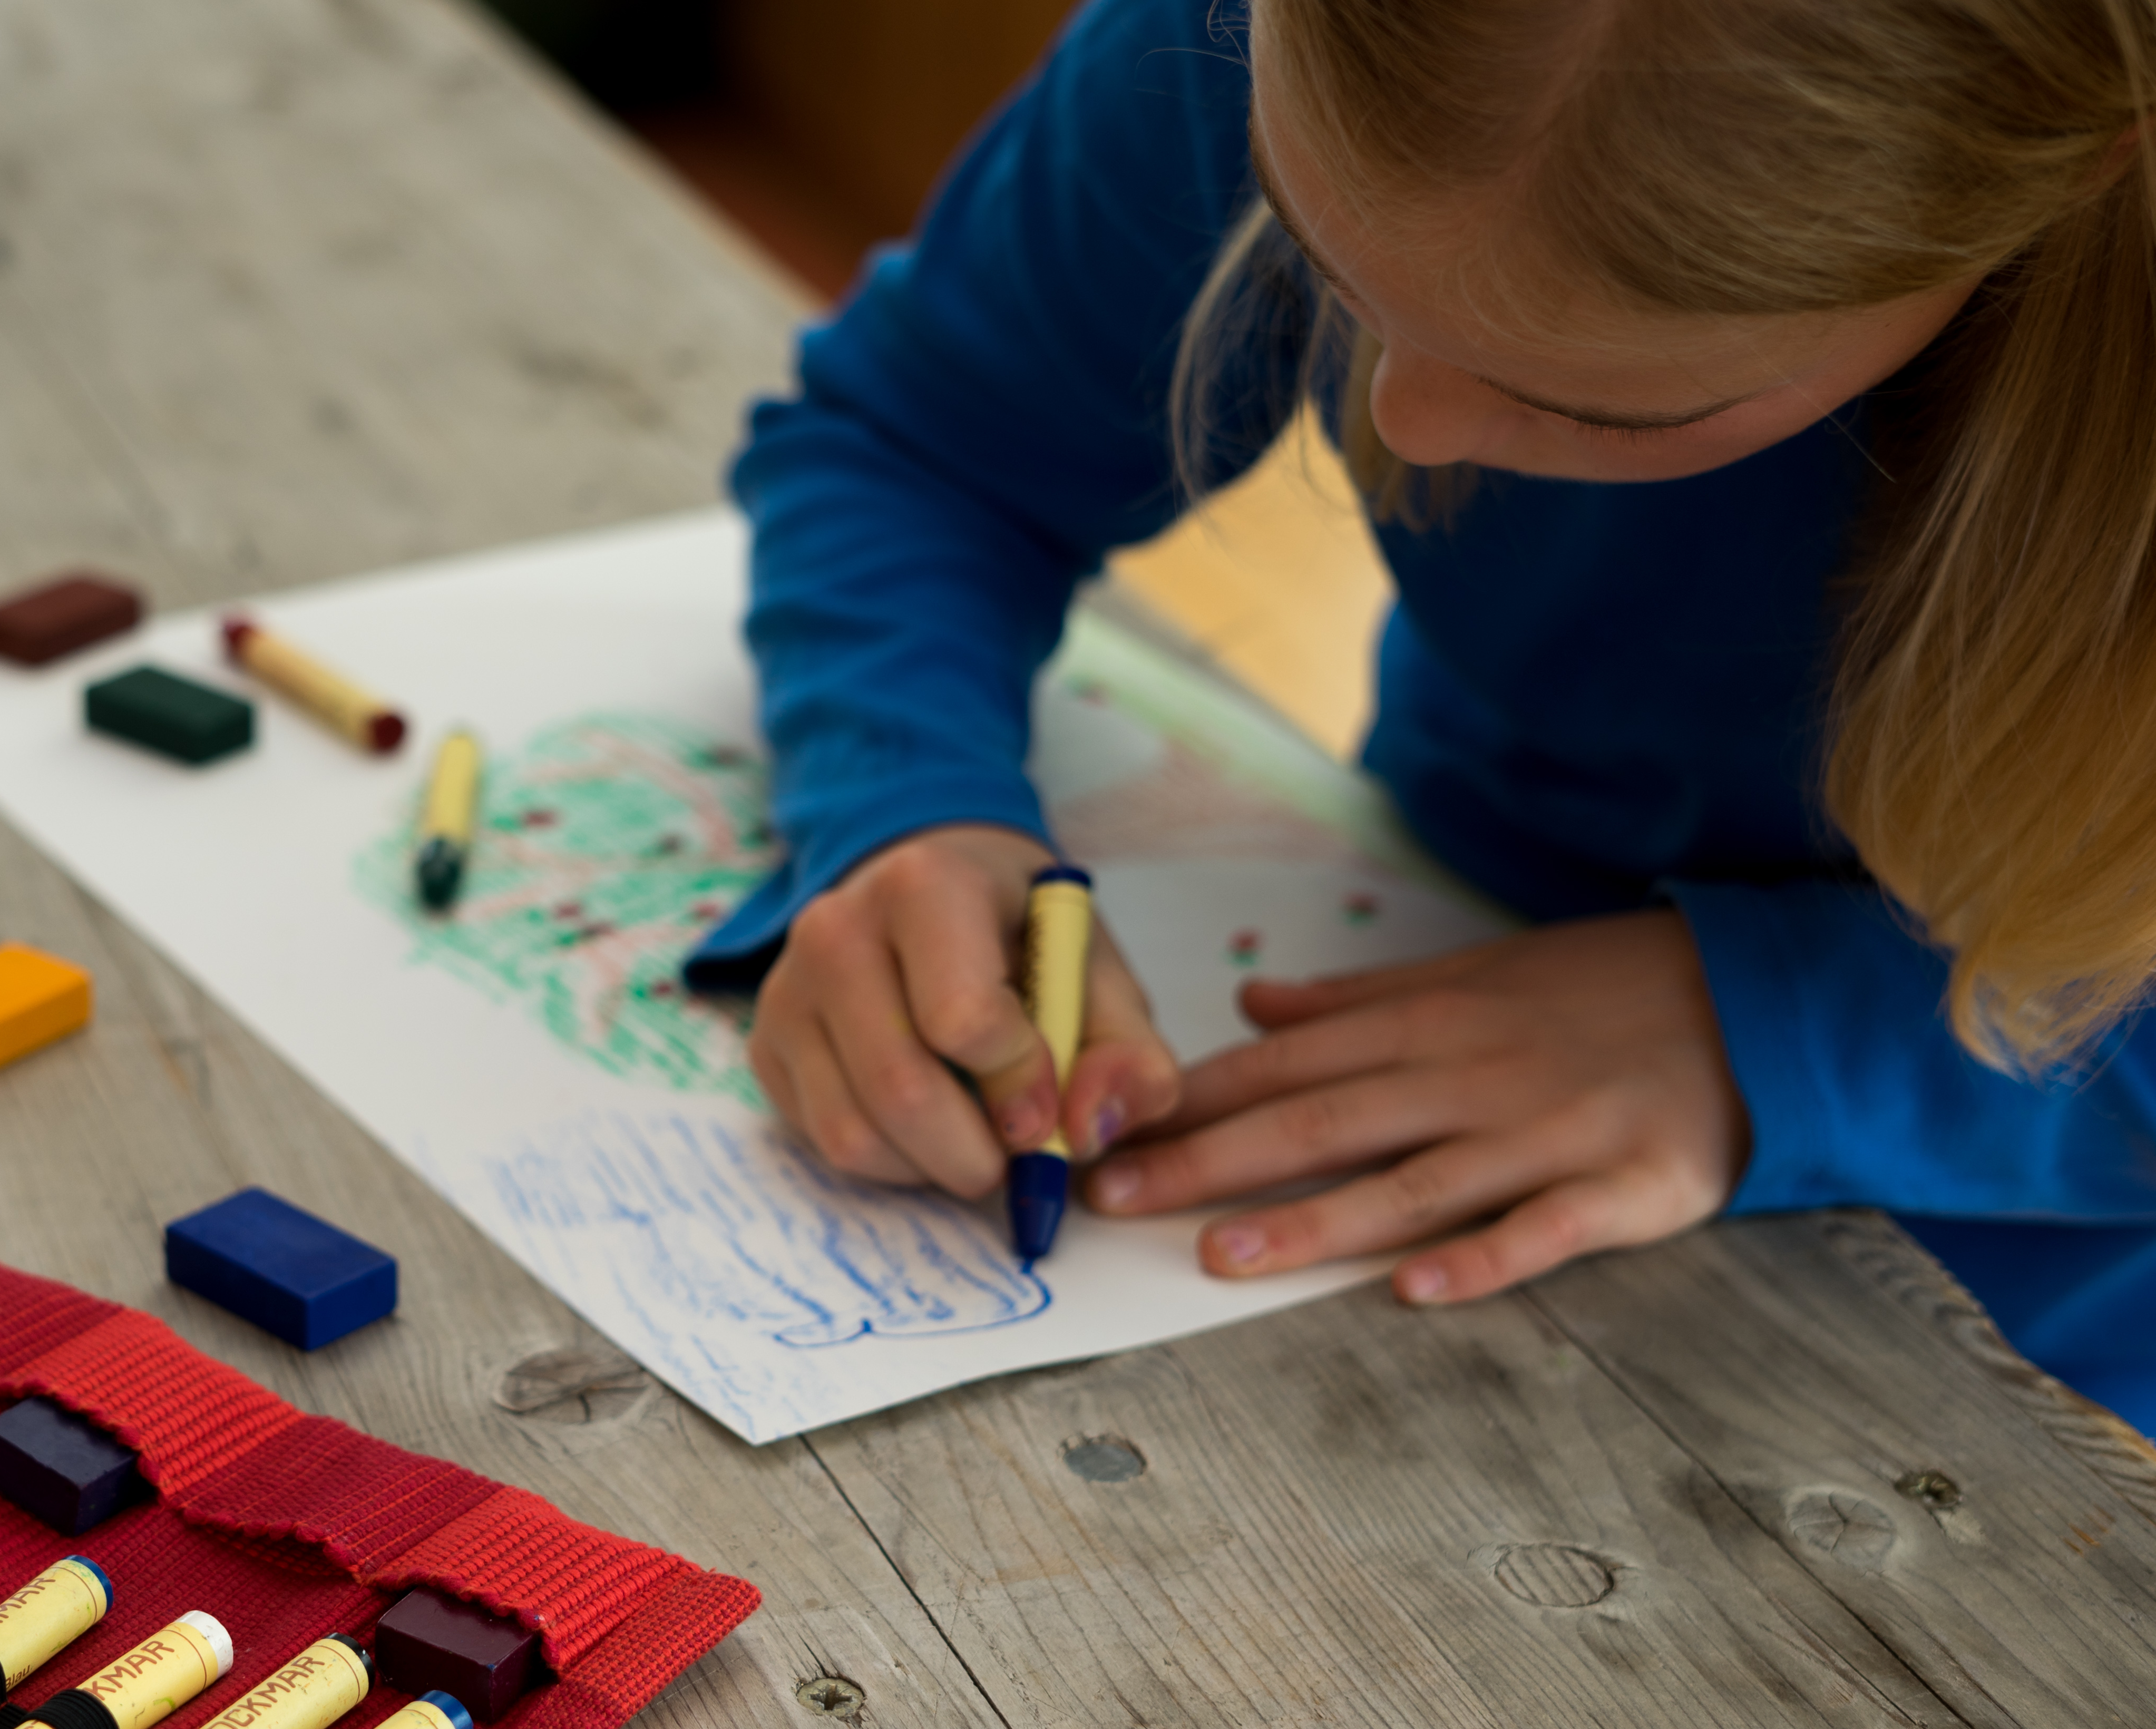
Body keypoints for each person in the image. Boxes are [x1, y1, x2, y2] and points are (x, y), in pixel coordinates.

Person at [693, 0, 2156, 1420]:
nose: (1409, 422)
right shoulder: (1288, 32)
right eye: (1326, 262)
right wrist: (909, 797)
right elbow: (927, 447)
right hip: (1429, 913)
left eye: (1603, 408)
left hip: (2039, 1271)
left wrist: (1767, 1034)